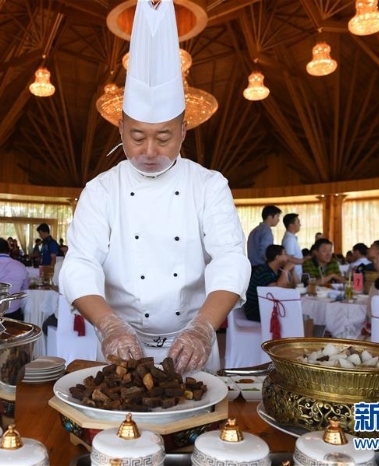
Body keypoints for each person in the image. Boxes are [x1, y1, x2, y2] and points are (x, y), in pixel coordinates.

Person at [60, 0, 250, 375]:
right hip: (120, 348)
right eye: (136, 136)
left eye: (163, 137)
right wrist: (110, 326)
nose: (149, 151)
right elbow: (80, 264)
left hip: (192, 348)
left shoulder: (209, 185)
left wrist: (201, 329)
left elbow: (230, 259)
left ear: (183, 130)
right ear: (120, 130)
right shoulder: (101, 190)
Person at [244, 245, 298, 322]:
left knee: (296, 312)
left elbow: (292, 287)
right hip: (256, 310)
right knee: (292, 315)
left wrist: (292, 272)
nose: (288, 257)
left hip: (270, 306)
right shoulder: (263, 271)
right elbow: (276, 290)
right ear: (277, 257)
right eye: (285, 254)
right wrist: (286, 269)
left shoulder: (279, 271)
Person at [281, 213, 304, 279]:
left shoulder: (291, 237)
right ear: (291, 225)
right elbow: (289, 258)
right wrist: (305, 261)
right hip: (293, 277)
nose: (300, 224)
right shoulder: (289, 239)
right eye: (298, 222)